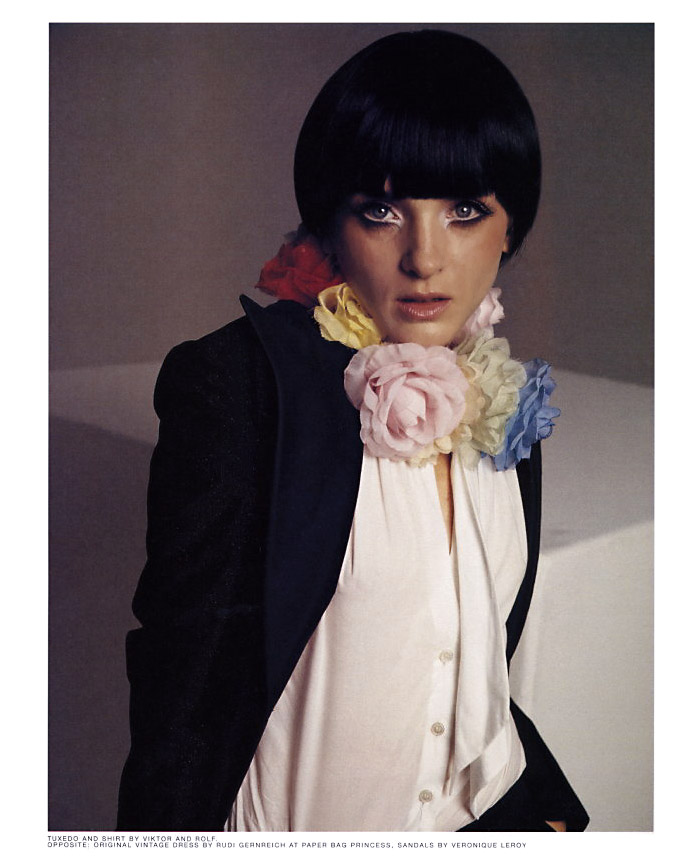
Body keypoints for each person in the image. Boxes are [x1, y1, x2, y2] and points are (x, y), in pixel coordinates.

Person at [117, 29, 589, 832]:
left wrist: (543, 811)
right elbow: (180, 687)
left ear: (510, 227)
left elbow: (474, 655)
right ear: (330, 225)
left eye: (465, 211)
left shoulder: (505, 401)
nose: (425, 259)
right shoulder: (240, 390)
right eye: (381, 210)